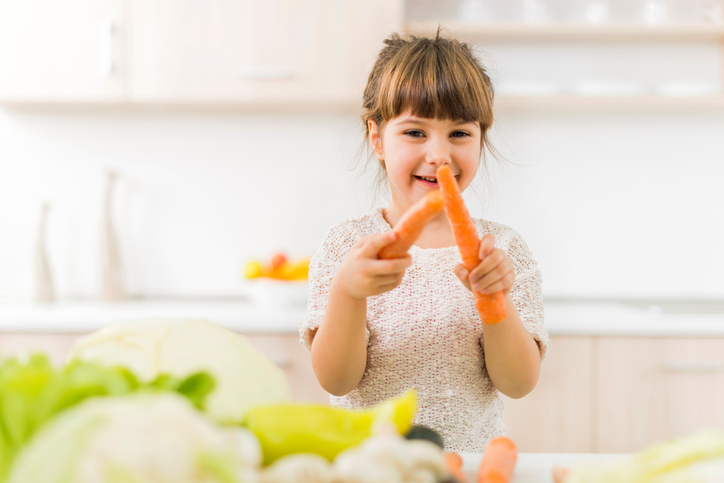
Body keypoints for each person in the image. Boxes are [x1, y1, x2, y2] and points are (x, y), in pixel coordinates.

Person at [299, 30, 550, 452]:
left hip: (468, 467)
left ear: (481, 139)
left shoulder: (503, 248)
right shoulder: (348, 246)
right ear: (377, 138)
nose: (440, 155)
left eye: (459, 134)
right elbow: (336, 380)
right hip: (369, 468)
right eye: (415, 132)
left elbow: (519, 384)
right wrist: (347, 291)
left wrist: (494, 301)